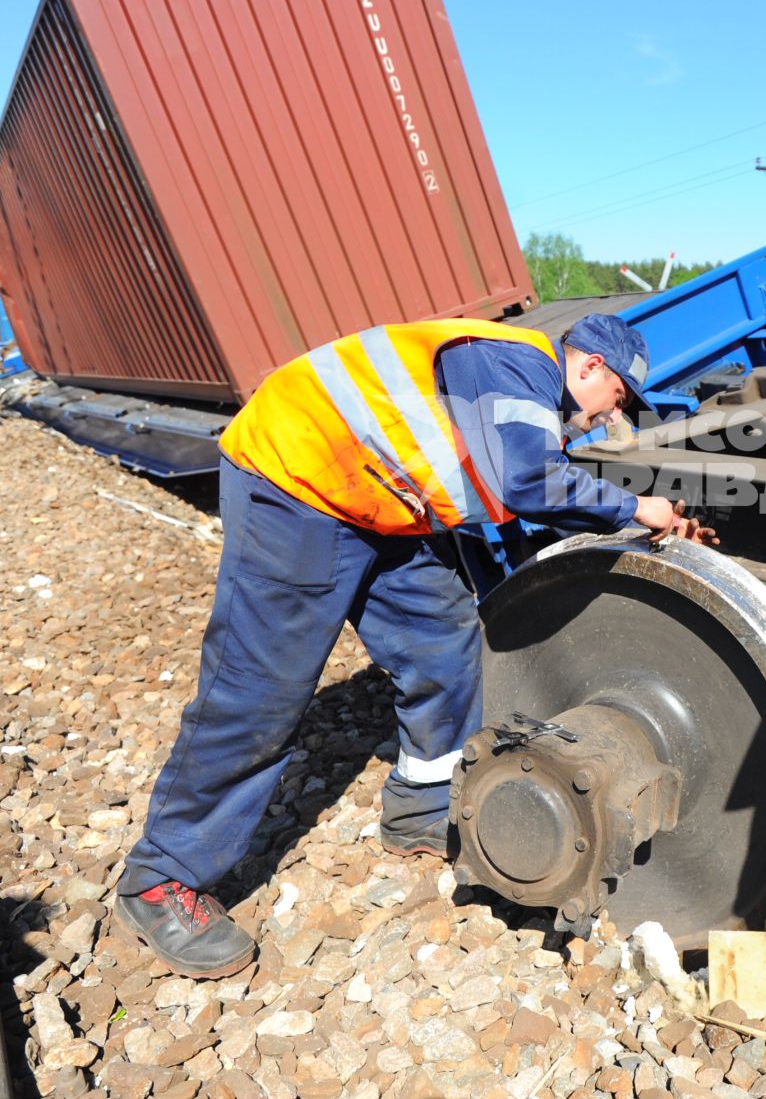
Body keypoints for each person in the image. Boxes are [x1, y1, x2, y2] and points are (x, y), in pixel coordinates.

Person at [116, 313, 715, 978]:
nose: (612, 416)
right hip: (298, 480)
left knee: (444, 641)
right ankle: (160, 877)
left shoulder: (523, 383)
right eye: (620, 400)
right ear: (593, 367)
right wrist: (638, 510)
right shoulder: (519, 366)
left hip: (374, 498)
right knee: (262, 690)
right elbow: (529, 482)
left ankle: (420, 805)